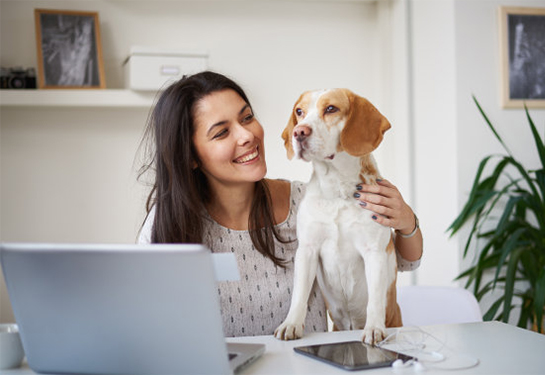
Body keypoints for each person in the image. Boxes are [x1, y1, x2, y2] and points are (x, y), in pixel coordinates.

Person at [137, 71, 423, 337]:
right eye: (222, 132)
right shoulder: (168, 223)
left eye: (247, 118)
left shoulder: (307, 202)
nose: (246, 135)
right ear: (191, 157)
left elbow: (401, 262)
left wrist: (407, 223)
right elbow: (147, 323)